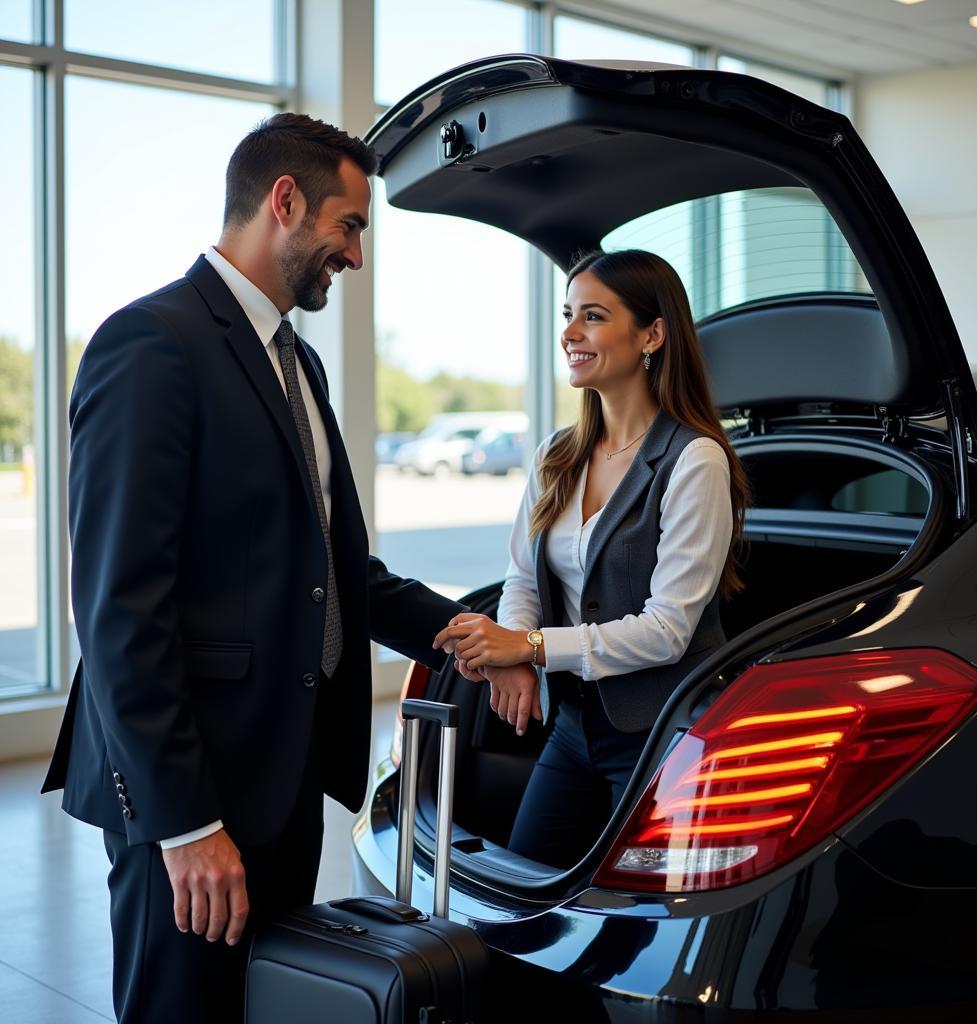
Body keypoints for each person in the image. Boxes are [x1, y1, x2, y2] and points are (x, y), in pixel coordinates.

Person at [41, 113, 464, 1024]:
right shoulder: (153, 344)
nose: (355, 255)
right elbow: (119, 607)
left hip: (280, 783)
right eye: (349, 225)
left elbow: (340, 570)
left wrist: (471, 635)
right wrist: (185, 823)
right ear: (286, 202)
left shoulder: (297, 363)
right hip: (192, 800)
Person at [434, 248, 749, 867]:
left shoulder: (694, 460)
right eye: (567, 313)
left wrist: (529, 648)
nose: (570, 333)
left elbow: (667, 631)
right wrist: (515, 655)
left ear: (653, 334)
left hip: (663, 733)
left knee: (633, 923)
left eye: (594, 316)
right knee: (528, 889)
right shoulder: (557, 454)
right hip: (575, 724)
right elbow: (525, 575)